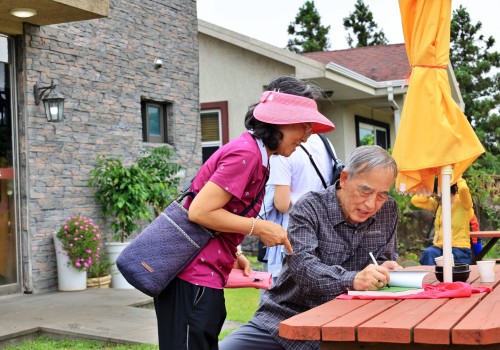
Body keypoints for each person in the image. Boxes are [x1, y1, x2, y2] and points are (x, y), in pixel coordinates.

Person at [153, 75, 335, 350]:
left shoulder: (258, 155)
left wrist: (234, 252)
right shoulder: (247, 154)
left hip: (205, 276)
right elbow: (200, 211)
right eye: (304, 125)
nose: (308, 135)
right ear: (281, 120)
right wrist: (259, 227)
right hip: (191, 277)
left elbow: (216, 211)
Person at [219, 145, 401, 350]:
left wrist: (385, 268)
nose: (370, 204)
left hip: (351, 322)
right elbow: (304, 269)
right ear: (344, 179)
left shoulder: (389, 210)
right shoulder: (309, 207)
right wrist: (352, 279)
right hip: (286, 315)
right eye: (364, 191)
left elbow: (384, 257)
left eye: (381, 195)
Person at [260, 133, 337, 284]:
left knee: (282, 292)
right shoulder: (324, 141)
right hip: (323, 229)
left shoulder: (283, 151)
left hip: (292, 232)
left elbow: (282, 204)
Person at [414, 178, 475, 265]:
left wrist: (457, 176)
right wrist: (431, 190)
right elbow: (416, 200)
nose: (437, 199)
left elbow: (464, 189)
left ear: (448, 191)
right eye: (435, 197)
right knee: (428, 253)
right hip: (440, 247)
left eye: (438, 197)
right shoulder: (439, 204)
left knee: (451, 268)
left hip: (459, 249)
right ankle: (431, 277)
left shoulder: (463, 202)